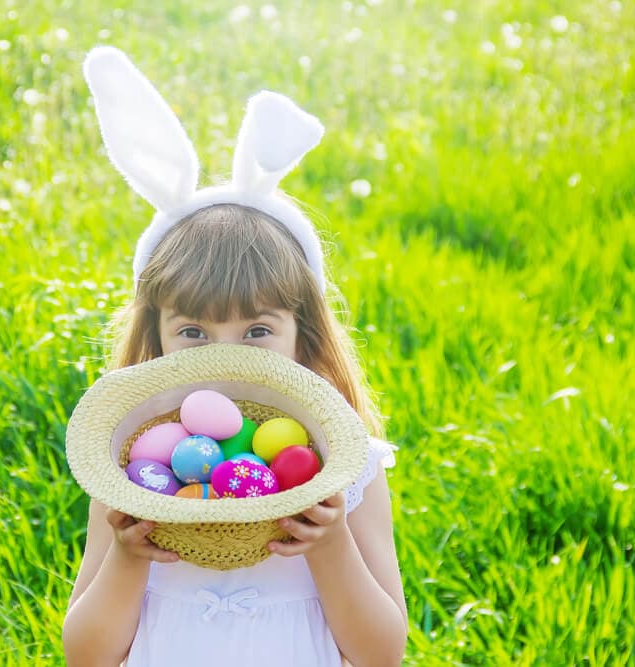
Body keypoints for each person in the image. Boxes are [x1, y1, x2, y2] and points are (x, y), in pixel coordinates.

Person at [62, 46, 407, 666]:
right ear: (156, 336)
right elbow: (87, 657)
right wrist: (127, 555)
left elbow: (382, 654)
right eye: (193, 331)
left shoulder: (345, 465)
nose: (225, 358)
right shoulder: (129, 460)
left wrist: (328, 547)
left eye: (256, 331)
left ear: (303, 335)